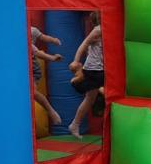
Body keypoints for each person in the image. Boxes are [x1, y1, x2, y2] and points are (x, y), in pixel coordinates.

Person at [68, 11, 104, 139]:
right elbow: (84, 45)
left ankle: (74, 124)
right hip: (95, 70)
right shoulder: (98, 30)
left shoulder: (111, 28)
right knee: (100, 93)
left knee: (90, 99)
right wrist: (76, 60)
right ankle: (77, 80)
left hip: (100, 69)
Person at [30, 25, 63, 125]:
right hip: (21, 67)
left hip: (32, 66)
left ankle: (50, 110)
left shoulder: (31, 31)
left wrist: (54, 40)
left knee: (33, 92)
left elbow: (39, 48)